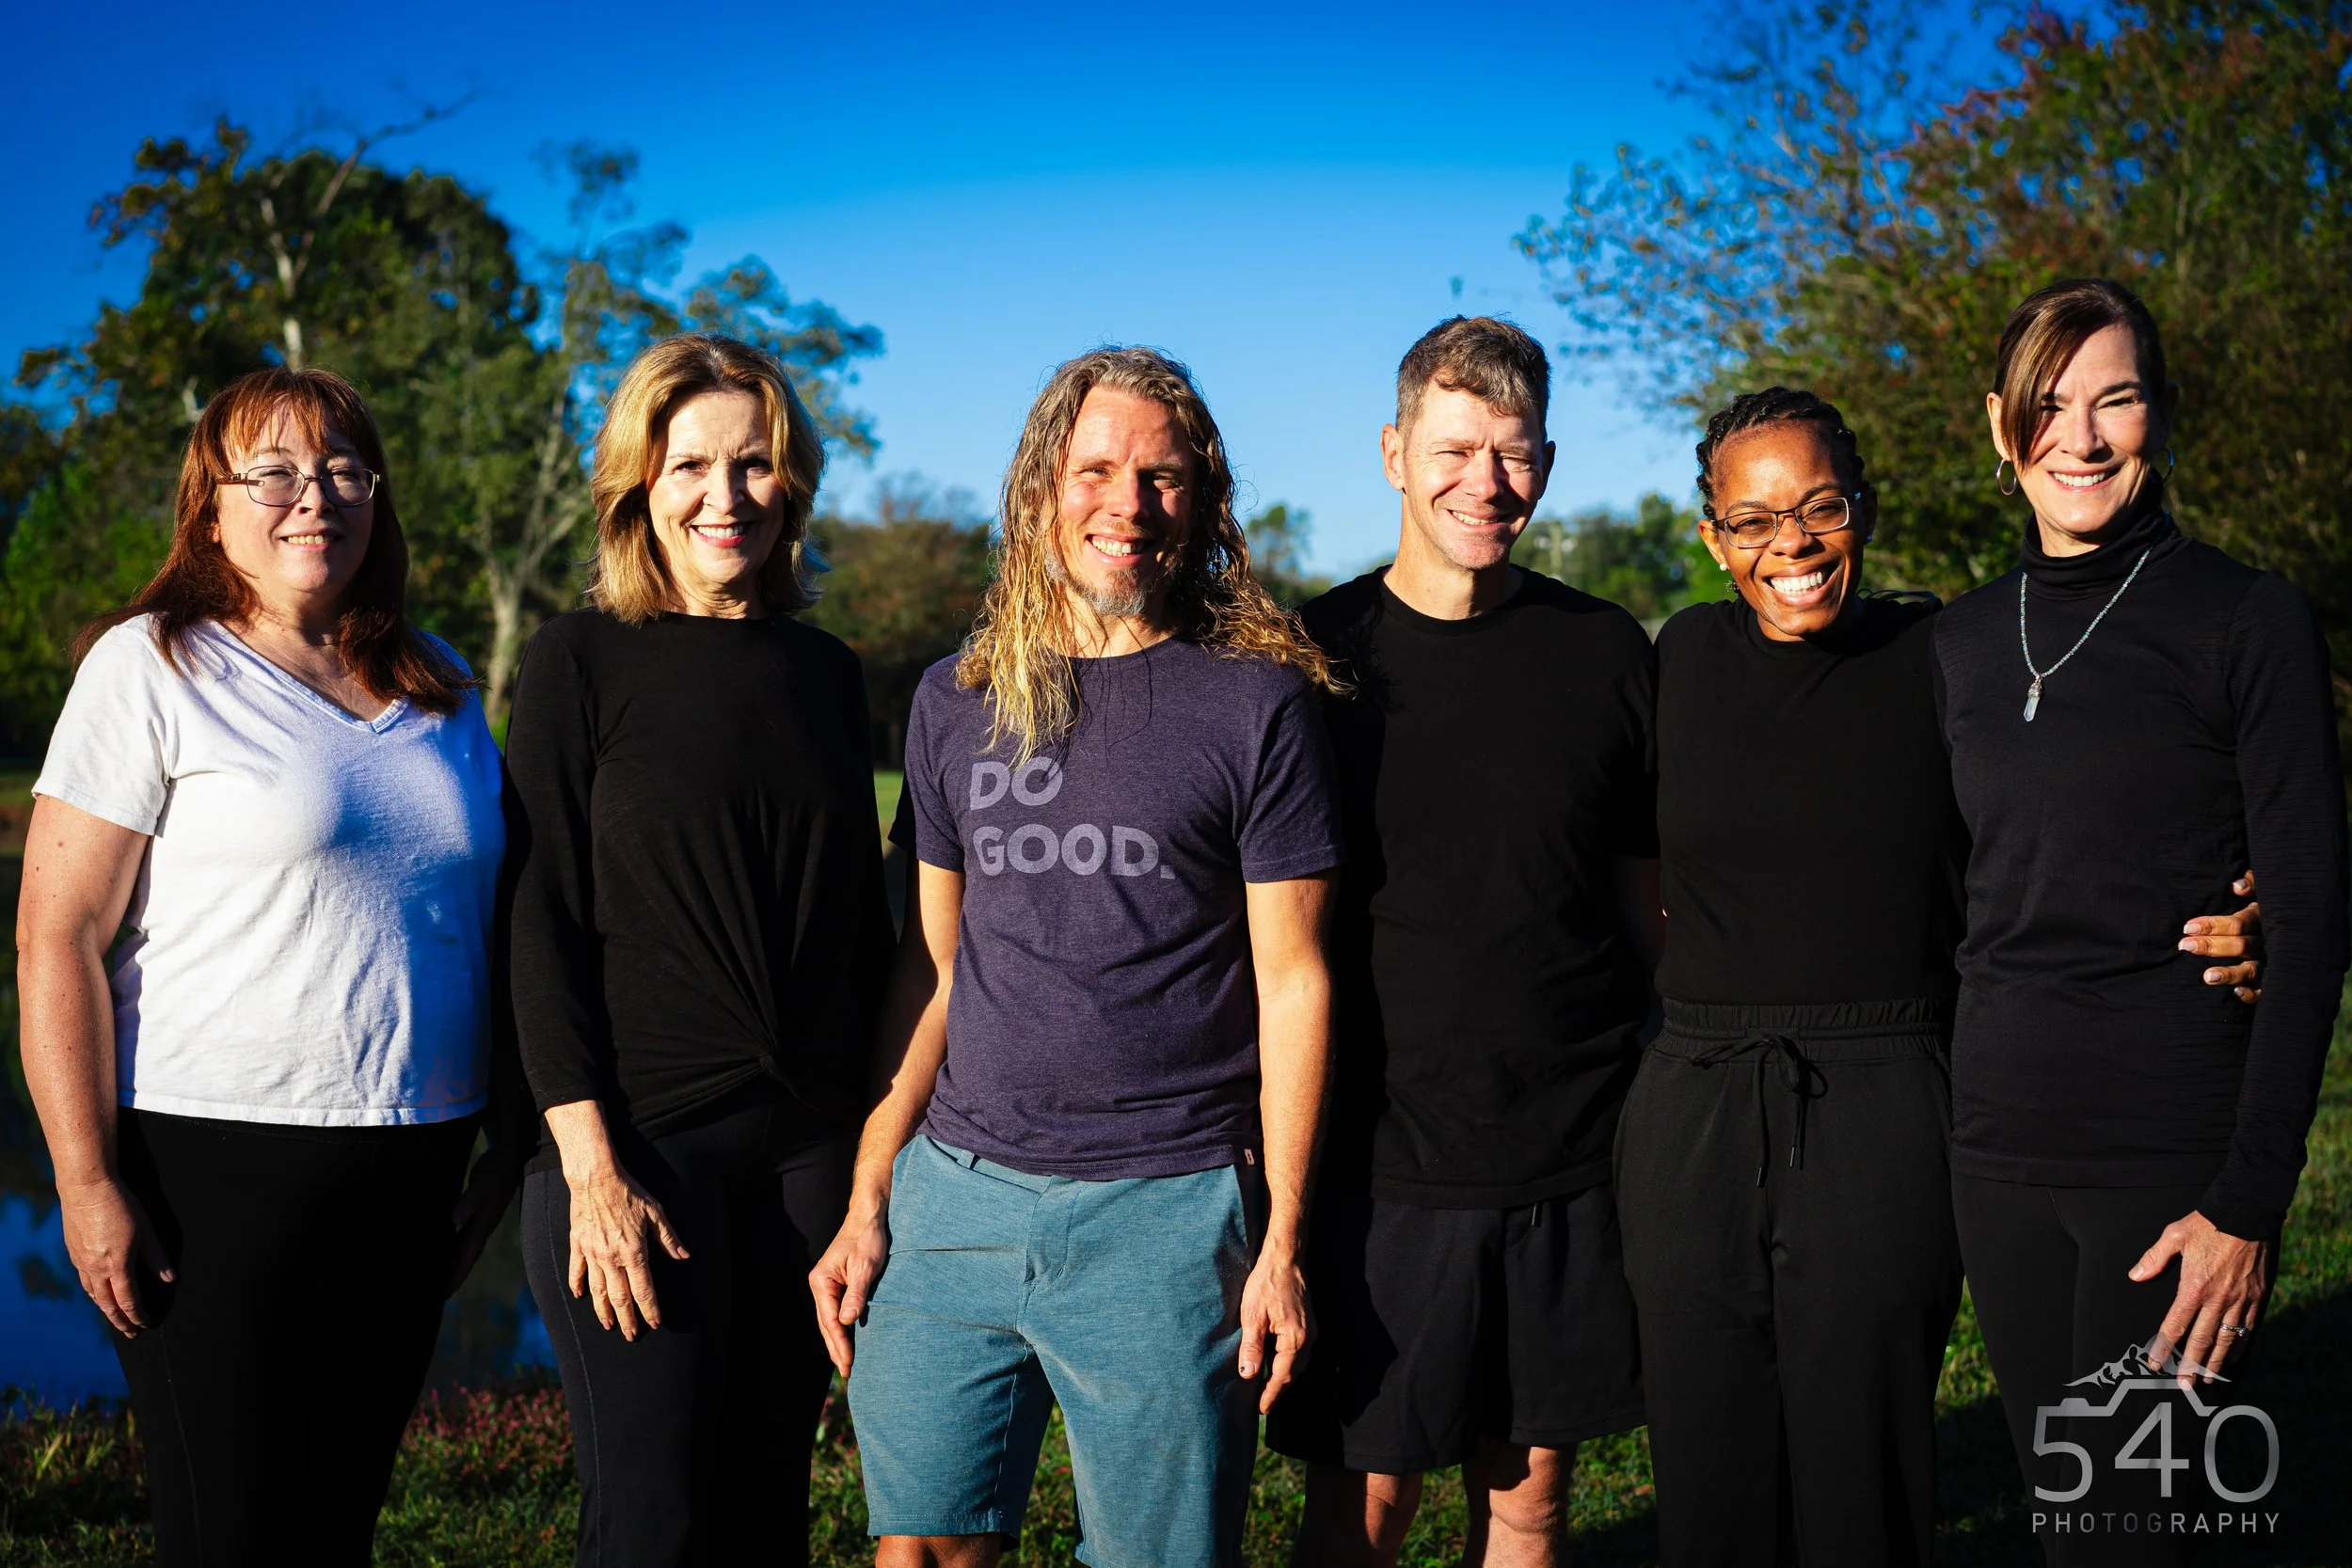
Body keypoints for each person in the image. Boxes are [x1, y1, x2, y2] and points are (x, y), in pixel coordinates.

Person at [809, 345, 1343, 1568]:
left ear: (1201, 499)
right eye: (1096, 469)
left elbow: (1294, 980)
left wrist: (1281, 1241)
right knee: (922, 1547)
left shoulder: (1254, 702)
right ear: (1040, 486)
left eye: (1162, 476)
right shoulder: (956, 697)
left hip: (1168, 1209)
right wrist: (870, 1192)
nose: (1129, 504)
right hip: (956, 1195)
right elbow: (931, 967)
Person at [18, 366, 518, 1567]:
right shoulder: (152, 664)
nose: (315, 497)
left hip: (414, 1159)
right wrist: (85, 1179)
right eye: (276, 472)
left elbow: (491, 922)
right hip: (210, 1162)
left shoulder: (440, 680)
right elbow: (57, 936)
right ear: (210, 506)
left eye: (345, 470)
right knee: (230, 1532)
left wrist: (502, 1149)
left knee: (337, 1524)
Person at [1936, 278, 2346, 1563]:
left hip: (2167, 1159)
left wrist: (2249, 1202)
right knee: (2063, 1521)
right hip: (1995, 1157)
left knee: (2125, 1533)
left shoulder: (2244, 616)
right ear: (1998, 425)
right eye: (2048, 404)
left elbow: (2313, 916)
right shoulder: (1955, 643)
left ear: (2158, 413)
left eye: (2113, 400)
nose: (2080, 437)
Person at [1266, 316, 1654, 1567]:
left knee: (1529, 1498)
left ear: (1547, 460)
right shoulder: (1309, 659)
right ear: (1393, 452)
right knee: (1364, 1511)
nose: (1485, 482)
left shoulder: (1605, 649)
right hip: (1381, 1166)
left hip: (1569, 1149)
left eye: (1513, 451)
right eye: (1453, 449)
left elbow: (1648, 893)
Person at [505, 333, 893, 1566]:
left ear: (792, 481)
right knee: (651, 1520)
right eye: (689, 466)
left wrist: (875, 1168)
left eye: (754, 462)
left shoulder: (827, 674)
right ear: (639, 483)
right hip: (639, 1147)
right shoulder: (577, 659)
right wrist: (588, 1167)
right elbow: (539, 917)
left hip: (810, 1155)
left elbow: (865, 935)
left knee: (768, 1509)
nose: (725, 496)